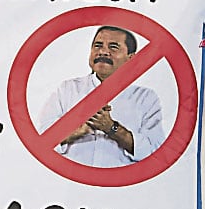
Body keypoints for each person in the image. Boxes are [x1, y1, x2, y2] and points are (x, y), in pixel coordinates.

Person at [38, 26, 165, 167]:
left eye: (113, 47)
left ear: (131, 58)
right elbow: (41, 141)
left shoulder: (145, 98)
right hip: (68, 184)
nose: (103, 52)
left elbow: (155, 151)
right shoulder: (67, 89)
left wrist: (112, 128)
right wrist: (76, 130)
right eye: (98, 45)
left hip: (123, 187)